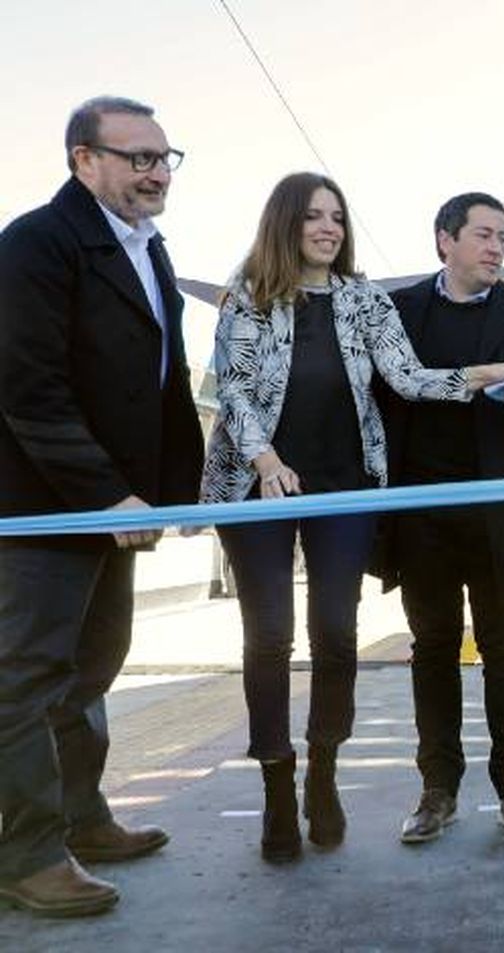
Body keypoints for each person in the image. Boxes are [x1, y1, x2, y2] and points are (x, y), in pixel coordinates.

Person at [201, 173, 504, 863]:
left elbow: (407, 378)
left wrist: (481, 376)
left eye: (336, 217)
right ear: (285, 222)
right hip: (260, 489)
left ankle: (323, 772)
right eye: (314, 216)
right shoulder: (249, 292)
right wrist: (266, 463)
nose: (328, 228)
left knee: (336, 635)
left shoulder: (363, 299)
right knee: (270, 637)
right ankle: (277, 788)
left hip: (346, 485)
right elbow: (237, 390)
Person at [0, 96, 204, 917]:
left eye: (164, 156)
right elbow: (28, 387)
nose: (156, 171)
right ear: (85, 160)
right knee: (29, 678)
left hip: (112, 507)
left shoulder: (147, 249)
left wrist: (179, 494)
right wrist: (104, 493)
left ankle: (82, 818)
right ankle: (26, 852)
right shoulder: (37, 245)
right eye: (137, 157)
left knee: (91, 669)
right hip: (45, 508)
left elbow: (164, 385)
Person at [375, 193, 504, 846]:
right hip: (422, 514)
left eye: (503, 236)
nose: (496, 247)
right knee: (431, 650)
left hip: (499, 518)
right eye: (484, 235)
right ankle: (438, 790)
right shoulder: (399, 311)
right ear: (444, 241)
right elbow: (384, 392)